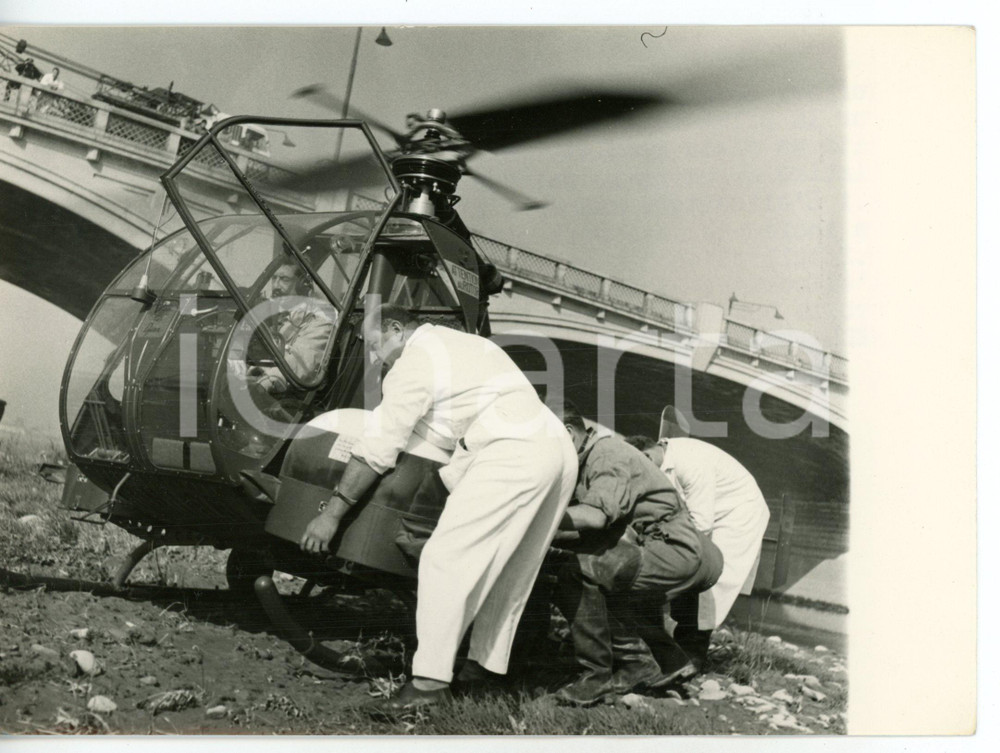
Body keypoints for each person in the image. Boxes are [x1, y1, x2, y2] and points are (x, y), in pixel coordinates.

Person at [299, 303, 577, 708]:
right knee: (511, 569)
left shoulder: (415, 359)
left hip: (513, 445)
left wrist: (331, 514)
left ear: (396, 329)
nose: (375, 358)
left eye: (375, 345)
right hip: (556, 445)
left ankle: (428, 686)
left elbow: (379, 444)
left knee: (444, 559)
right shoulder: (460, 344)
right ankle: (480, 675)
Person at [550, 403, 724, 706]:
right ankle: (668, 659)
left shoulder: (607, 455)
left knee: (577, 573)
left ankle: (599, 676)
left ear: (568, 434)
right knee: (601, 576)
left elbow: (594, 517)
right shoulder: (590, 458)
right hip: (675, 548)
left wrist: (537, 518)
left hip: (674, 548)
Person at [625, 433, 771, 670]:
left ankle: (693, 654)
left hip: (737, 513)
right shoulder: (661, 461)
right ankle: (675, 649)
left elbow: (701, 523)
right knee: (684, 570)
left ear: (647, 456)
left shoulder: (691, 461)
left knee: (707, 584)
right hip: (710, 513)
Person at [248, 262, 335, 395]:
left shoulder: (320, 320)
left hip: (293, 396)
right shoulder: (275, 316)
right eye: (274, 278)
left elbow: (302, 360)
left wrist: (266, 381)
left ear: (302, 285)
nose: (276, 286)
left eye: (284, 279)